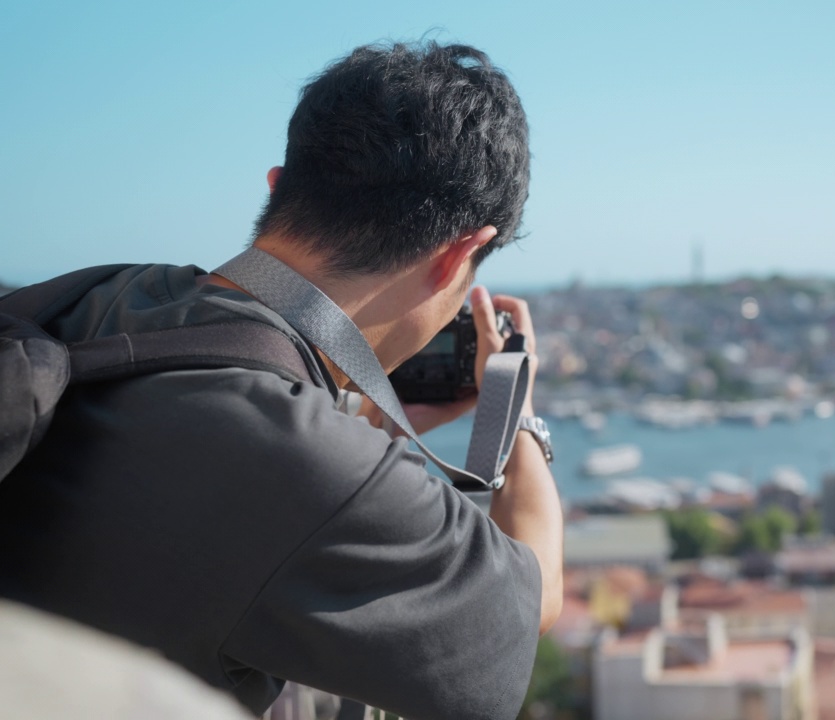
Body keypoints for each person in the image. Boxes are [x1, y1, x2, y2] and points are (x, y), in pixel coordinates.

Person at [0, 41, 562, 720]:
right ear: (457, 255)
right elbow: (530, 604)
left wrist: (356, 425)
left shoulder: (80, 297)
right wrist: (517, 407)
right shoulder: (323, 475)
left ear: (278, 188)